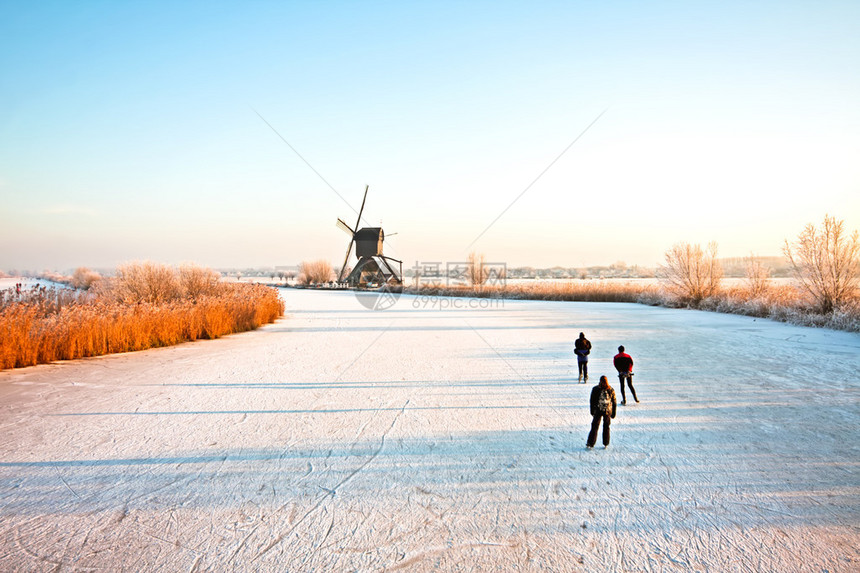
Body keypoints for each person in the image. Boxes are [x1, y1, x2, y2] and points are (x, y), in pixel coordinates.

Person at [587, 375, 617, 448]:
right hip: (606, 411)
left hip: (600, 410)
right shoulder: (610, 389)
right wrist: (613, 413)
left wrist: (592, 411)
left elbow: (592, 401)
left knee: (596, 426)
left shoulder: (596, 389)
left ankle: (592, 443)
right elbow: (614, 402)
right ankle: (604, 443)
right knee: (604, 426)